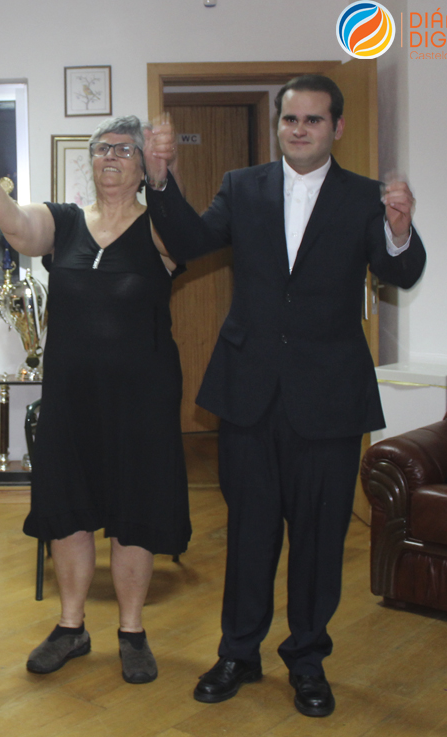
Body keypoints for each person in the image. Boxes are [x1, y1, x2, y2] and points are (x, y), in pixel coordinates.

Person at [143, 74, 427, 717]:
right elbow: (189, 243)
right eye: (290, 119)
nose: (299, 130)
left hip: (330, 398)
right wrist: (160, 183)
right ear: (278, 125)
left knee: (321, 538)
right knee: (249, 531)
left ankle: (307, 660)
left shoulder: (366, 197)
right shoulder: (242, 186)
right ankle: (238, 653)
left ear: (337, 128)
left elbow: (400, 272)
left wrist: (400, 230)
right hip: (249, 391)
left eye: (313, 120)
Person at [0, 117, 190, 684]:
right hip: (72, 400)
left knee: (133, 515)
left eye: (124, 150)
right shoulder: (67, 222)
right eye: (102, 149)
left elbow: (187, 240)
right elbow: (15, 225)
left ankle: (132, 631)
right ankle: (71, 627)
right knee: (70, 512)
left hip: (142, 403)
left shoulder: (160, 227)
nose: (111, 157)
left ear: (140, 164)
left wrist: (165, 178)